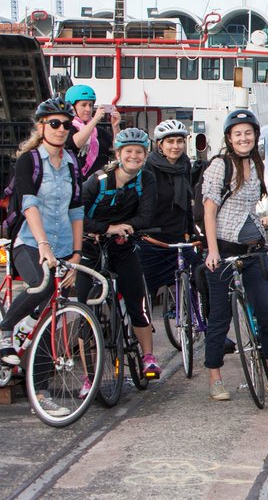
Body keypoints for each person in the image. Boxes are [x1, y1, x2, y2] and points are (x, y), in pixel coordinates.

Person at [0, 97, 85, 415]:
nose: (62, 129)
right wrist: (44, 245)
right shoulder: (30, 161)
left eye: (66, 124)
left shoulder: (71, 163)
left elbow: (77, 209)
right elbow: (29, 204)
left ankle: (41, 391)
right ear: (41, 127)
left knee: (53, 316)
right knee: (43, 283)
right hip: (28, 242)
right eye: (54, 123)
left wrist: (76, 253)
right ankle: (6, 328)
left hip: (63, 245)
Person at [201, 109, 268, 404]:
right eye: (237, 133)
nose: (243, 138)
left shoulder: (256, 163)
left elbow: (252, 206)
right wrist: (212, 250)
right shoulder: (219, 166)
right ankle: (215, 378)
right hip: (223, 249)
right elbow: (209, 210)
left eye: (248, 133)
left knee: (267, 314)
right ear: (229, 137)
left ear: (255, 136)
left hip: (254, 249)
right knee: (220, 317)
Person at [74, 128, 161, 380]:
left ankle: (148, 358)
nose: (134, 156)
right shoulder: (98, 181)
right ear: (119, 154)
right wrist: (106, 228)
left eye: (139, 152)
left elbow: (146, 216)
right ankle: (90, 377)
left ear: (145, 155)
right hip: (90, 246)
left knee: (137, 300)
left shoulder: (146, 179)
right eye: (129, 151)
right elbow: (77, 215)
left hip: (122, 245)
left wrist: (127, 228)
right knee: (84, 311)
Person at [137, 119, 199, 319]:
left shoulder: (184, 165)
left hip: (178, 235)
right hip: (152, 239)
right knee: (143, 293)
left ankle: (205, 325)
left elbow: (187, 203)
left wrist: (192, 232)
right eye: (170, 141)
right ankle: (138, 332)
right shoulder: (148, 169)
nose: (175, 146)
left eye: (179, 141)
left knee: (201, 278)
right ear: (160, 145)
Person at [64, 84, 121, 179]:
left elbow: (118, 149)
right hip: (76, 180)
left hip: (99, 183)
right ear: (72, 107)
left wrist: (115, 127)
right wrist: (95, 120)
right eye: (84, 105)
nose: (88, 109)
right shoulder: (66, 127)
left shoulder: (98, 131)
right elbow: (75, 143)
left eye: (90, 105)